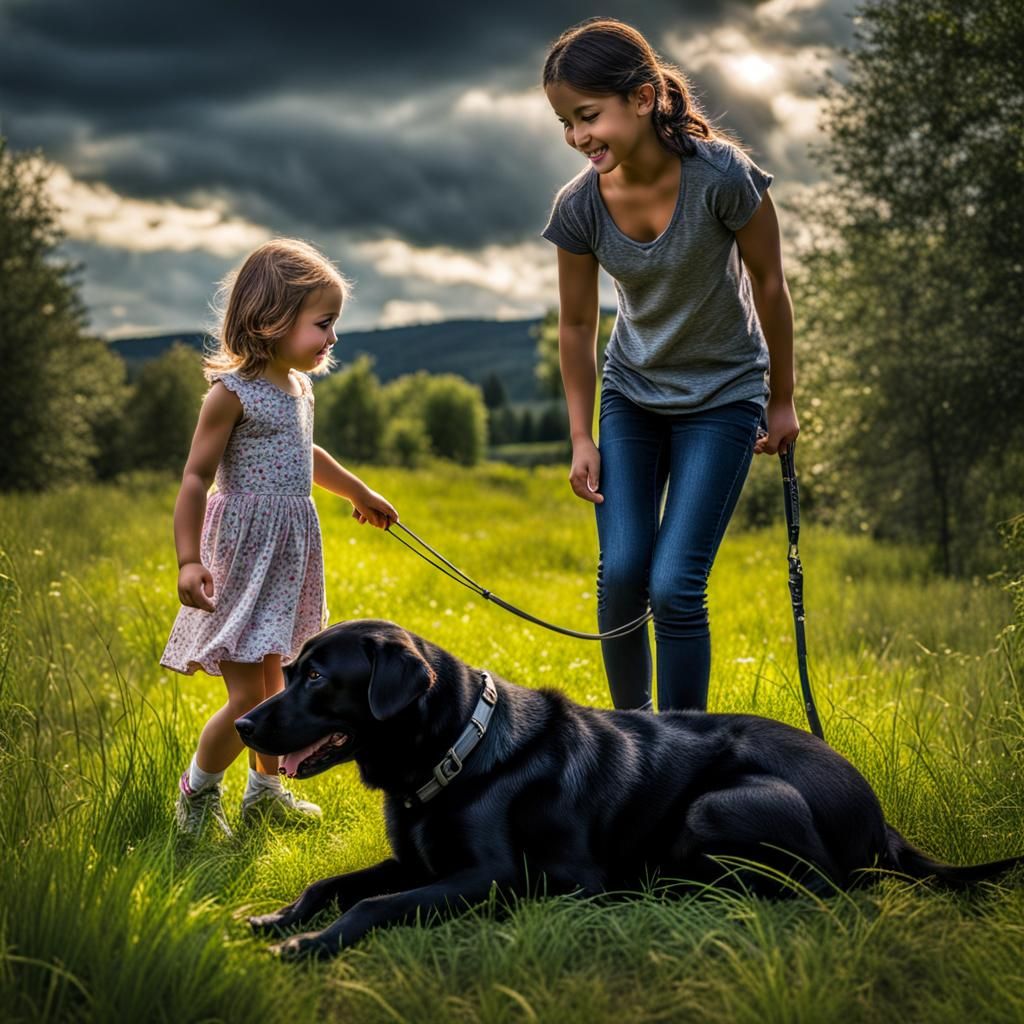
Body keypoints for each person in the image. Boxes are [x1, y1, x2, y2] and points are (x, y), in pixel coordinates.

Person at [541, 18, 799, 712]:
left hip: (724, 396)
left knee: (676, 584)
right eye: (565, 122)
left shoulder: (723, 176)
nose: (577, 136)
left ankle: (685, 755)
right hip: (634, 395)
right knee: (622, 572)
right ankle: (630, 744)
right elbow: (576, 324)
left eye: (588, 115)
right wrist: (580, 436)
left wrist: (782, 400)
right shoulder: (579, 208)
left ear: (646, 96)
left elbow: (770, 286)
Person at [160, 238, 398, 837]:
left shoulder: (299, 388)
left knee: (277, 691)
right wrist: (189, 560)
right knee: (248, 702)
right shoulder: (231, 394)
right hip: (244, 560)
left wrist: (358, 493)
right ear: (272, 320)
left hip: (285, 561)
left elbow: (306, 453)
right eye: (324, 324)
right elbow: (194, 477)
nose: (333, 338)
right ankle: (196, 793)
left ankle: (264, 793)